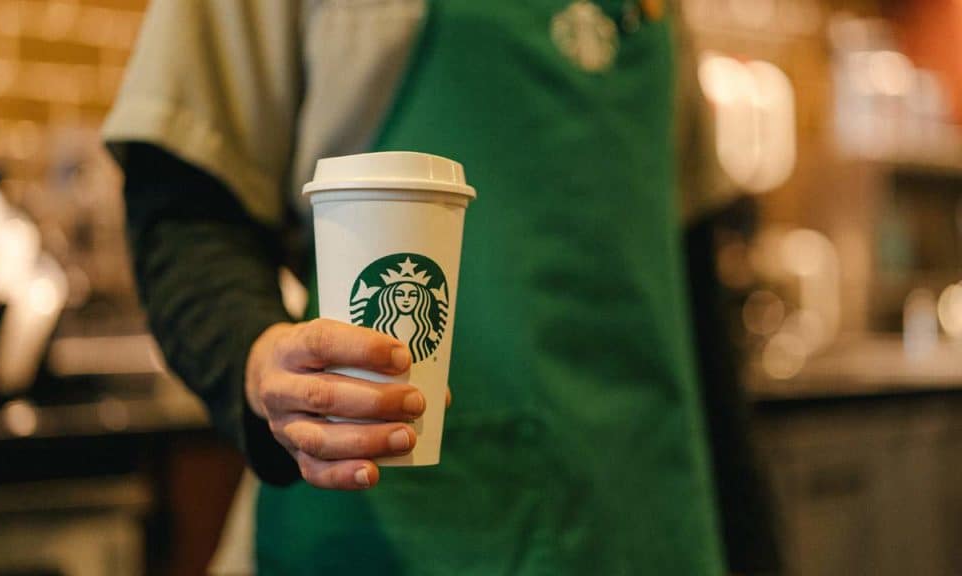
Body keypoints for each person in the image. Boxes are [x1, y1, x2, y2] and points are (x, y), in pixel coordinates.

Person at [104, 0, 726, 573]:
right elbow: (185, 203)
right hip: (394, 530)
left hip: (648, 522)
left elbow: (694, 276)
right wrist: (254, 356)